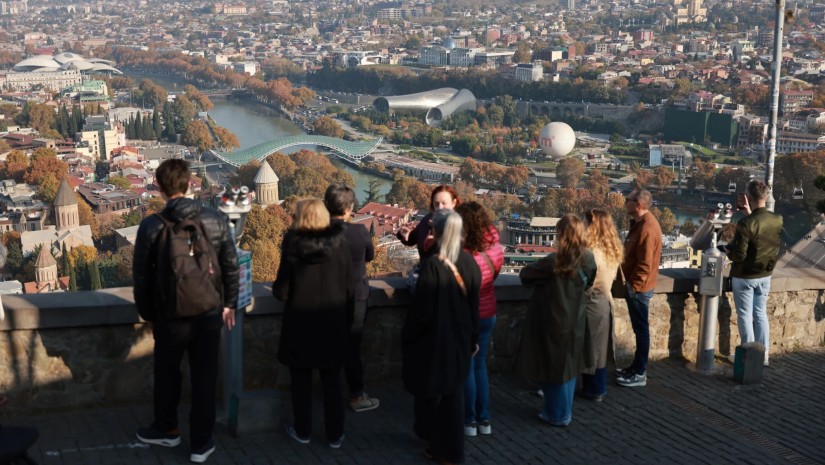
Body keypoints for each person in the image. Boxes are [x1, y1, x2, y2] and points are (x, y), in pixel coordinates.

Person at [133, 159, 239, 463]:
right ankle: (201, 443)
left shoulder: (151, 225)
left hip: (170, 313)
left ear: (160, 187)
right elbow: (230, 265)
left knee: (167, 373)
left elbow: (141, 276)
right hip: (208, 312)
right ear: (190, 183)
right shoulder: (215, 219)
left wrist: (149, 313)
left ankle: (167, 428)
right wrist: (229, 304)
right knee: (204, 377)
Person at [402, 209, 481, 465]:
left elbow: (421, 311)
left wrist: (409, 336)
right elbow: (474, 307)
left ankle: (439, 447)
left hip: (434, 341)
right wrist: (473, 340)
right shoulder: (470, 263)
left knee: (433, 395)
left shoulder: (433, 266)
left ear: (438, 232)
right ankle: (453, 451)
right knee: (454, 397)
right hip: (460, 340)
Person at [273, 199, 353, 449]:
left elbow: (282, 291)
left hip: (301, 324)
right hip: (333, 323)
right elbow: (349, 287)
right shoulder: (340, 244)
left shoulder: (292, 244)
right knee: (332, 382)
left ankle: (303, 430)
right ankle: (335, 434)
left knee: (301, 382)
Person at [516, 214, 597, 427]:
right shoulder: (588, 258)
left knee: (551, 369)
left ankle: (557, 414)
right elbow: (589, 282)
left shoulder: (554, 261)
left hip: (552, 319)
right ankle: (564, 410)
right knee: (570, 367)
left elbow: (525, 275)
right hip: (576, 319)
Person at [323, 184, 379, 412]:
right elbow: (370, 256)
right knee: (353, 347)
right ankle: (357, 395)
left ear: (327, 206)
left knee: (329, 345)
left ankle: (330, 392)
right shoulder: (360, 232)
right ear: (349, 208)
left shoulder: (319, 233)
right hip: (356, 296)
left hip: (326, 297)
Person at [455, 201, 503, 437]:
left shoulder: (462, 253)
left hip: (467, 314)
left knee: (467, 367)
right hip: (488, 311)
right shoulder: (495, 248)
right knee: (480, 365)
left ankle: (469, 420)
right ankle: (485, 419)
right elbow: (494, 276)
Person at [722, 180, 783, 367]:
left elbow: (739, 255)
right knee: (760, 313)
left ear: (748, 197)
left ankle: (748, 356)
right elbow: (761, 233)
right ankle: (763, 356)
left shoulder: (745, 223)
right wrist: (750, 213)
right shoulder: (777, 219)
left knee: (745, 315)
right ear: (766, 196)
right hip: (765, 275)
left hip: (745, 276)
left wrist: (727, 251)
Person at [616, 189, 662, 388]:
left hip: (639, 288)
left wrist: (633, 286)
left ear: (638, 204)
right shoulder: (641, 224)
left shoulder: (646, 228)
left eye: (627, 199)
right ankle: (635, 367)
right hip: (640, 286)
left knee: (641, 330)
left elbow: (645, 263)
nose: (624, 202)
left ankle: (639, 372)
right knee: (640, 329)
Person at [580, 209, 623, 401]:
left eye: (584, 222)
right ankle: (597, 388)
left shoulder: (590, 253)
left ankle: (593, 389)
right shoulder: (612, 250)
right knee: (600, 351)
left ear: (592, 226)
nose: (582, 225)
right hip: (605, 302)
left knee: (589, 349)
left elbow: (585, 283)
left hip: (590, 304)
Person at [397, 185, 460, 259]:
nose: (440, 207)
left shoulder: (461, 225)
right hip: (426, 265)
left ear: (453, 203)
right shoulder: (427, 220)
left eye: (444, 203)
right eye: (436, 203)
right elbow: (412, 239)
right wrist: (404, 233)